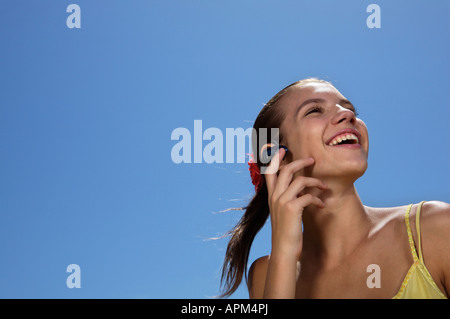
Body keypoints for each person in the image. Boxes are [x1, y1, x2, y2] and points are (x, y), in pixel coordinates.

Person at [219, 78, 449, 299]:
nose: (347, 115)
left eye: (350, 109)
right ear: (275, 156)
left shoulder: (435, 229)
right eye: (314, 110)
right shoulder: (266, 273)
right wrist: (284, 253)